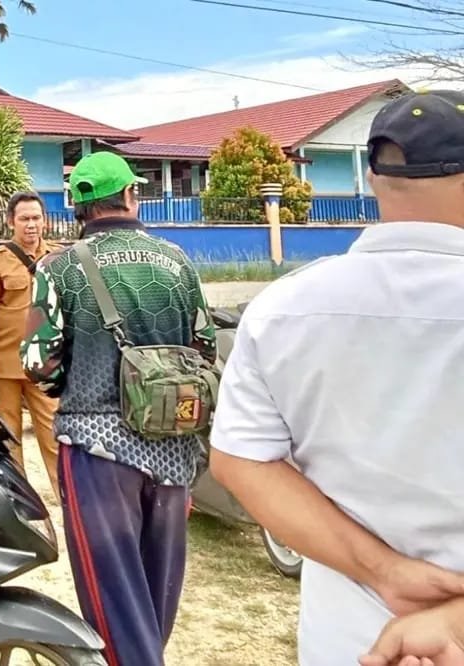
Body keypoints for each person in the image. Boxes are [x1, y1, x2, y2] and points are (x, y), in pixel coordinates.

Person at [207, 89, 464, 666]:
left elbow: (241, 461)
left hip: (350, 640)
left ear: (372, 180)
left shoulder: (282, 309)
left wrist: (384, 571)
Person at [21, 151, 217, 666]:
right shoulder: (177, 260)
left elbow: (38, 362)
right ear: (131, 195)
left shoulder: (59, 268)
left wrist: (75, 384)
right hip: (174, 448)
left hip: (97, 449)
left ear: (77, 206)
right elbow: (204, 348)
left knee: (113, 596)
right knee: (156, 589)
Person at [0, 191, 62, 500]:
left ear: (45, 221)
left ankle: (68, 507)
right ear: (11, 221)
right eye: (24, 219)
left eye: (36, 218)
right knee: (8, 442)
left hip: (46, 365)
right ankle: (21, 507)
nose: (31, 225)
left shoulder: (58, 258)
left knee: (55, 439)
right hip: (5, 368)